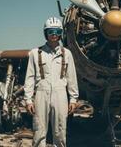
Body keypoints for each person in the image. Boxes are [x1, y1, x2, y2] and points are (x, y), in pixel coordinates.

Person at [24, 17, 79, 147]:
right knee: (39, 130)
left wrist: (73, 99)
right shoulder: (35, 53)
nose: (54, 34)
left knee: (60, 130)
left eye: (57, 31)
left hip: (61, 95)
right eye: (50, 31)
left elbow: (72, 78)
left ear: (61, 33)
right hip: (41, 94)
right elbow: (30, 77)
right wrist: (28, 100)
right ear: (45, 33)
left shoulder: (67, 54)